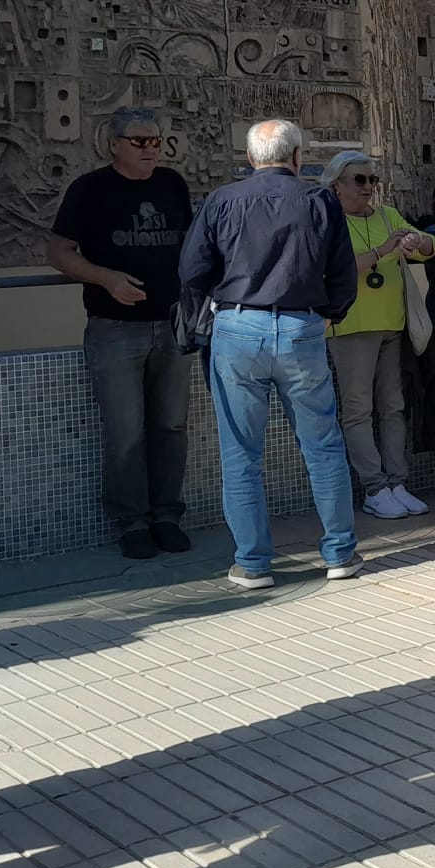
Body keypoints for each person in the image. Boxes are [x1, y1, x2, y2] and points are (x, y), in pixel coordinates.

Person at [178, 120, 366, 590]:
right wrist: (330, 315)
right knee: (322, 446)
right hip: (302, 325)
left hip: (238, 328)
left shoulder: (223, 200)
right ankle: (340, 553)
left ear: (250, 157)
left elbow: (192, 268)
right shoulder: (319, 200)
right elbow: (343, 271)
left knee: (241, 453)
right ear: (297, 156)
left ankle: (253, 562)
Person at [45, 107, 196, 560]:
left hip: (171, 323)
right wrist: (106, 278)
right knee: (125, 431)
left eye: (156, 141)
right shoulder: (89, 190)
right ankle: (131, 521)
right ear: (114, 144)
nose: (151, 149)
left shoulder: (172, 185)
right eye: (140, 141)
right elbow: (58, 252)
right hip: (115, 329)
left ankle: (167, 515)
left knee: (171, 426)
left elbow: (190, 243)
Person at [318, 150, 435, 522]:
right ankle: (374, 487)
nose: (368, 187)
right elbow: (336, 270)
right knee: (358, 411)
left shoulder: (387, 215)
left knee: (394, 406)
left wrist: (418, 243)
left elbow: (431, 248)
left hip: (392, 324)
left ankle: (397, 482)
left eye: (372, 180)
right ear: (336, 185)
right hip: (350, 327)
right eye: (359, 180)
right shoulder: (330, 220)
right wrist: (382, 251)